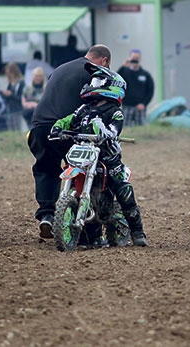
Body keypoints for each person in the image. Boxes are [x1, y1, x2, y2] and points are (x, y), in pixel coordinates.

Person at [50, 64, 147, 246]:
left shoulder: (114, 111)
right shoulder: (84, 108)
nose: (92, 85)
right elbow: (70, 119)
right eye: (93, 81)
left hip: (109, 160)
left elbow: (113, 131)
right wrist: (58, 127)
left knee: (124, 192)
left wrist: (101, 128)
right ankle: (88, 236)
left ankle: (137, 231)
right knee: (81, 188)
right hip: (86, 156)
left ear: (112, 86)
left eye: (97, 81)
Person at [28, 44, 112, 238]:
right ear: (104, 60)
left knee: (45, 168)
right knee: (87, 167)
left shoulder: (60, 68)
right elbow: (97, 104)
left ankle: (47, 215)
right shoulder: (95, 72)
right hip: (67, 128)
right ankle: (88, 228)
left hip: (39, 125)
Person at [117, 50, 155, 127]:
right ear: (130, 58)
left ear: (140, 59)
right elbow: (116, 80)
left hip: (140, 107)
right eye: (133, 58)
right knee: (125, 127)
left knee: (141, 127)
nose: (135, 60)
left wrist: (144, 103)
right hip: (127, 106)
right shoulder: (124, 72)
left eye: (137, 58)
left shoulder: (145, 75)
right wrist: (123, 67)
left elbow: (150, 91)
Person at [2, 62, 26, 131]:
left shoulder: (21, 83)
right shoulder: (9, 84)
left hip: (17, 110)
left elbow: (21, 98)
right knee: (10, 128)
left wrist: (10, 95)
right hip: (9, 109)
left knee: (17, 128)